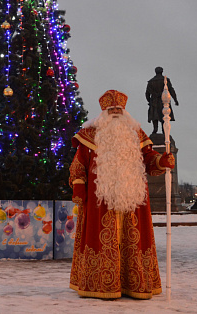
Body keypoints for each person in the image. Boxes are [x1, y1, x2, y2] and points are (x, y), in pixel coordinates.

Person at [69, 89, 175, 300]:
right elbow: (78, 163)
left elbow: (149, 158)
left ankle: (133, 284)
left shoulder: (136, 133)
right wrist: (79, 184)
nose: (116, 112)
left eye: (119, 108)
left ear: (124, 111)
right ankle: (100, 284)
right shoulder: (90, 135)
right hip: (101, 200)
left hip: (132, 199)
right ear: (104, 112)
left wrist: (162, 162)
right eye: (111, 109)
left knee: (133, 239)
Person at [145, 67, 178, 134]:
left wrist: (149, 101)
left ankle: (155, 129)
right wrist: (175, 100)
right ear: (162, 71)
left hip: (154, 101)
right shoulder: (165, 80)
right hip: (163, 100)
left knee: (155, 115)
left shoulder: (151, 81)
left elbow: (147, 93)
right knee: (163, 115)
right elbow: (171, 90)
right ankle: (164, 130)